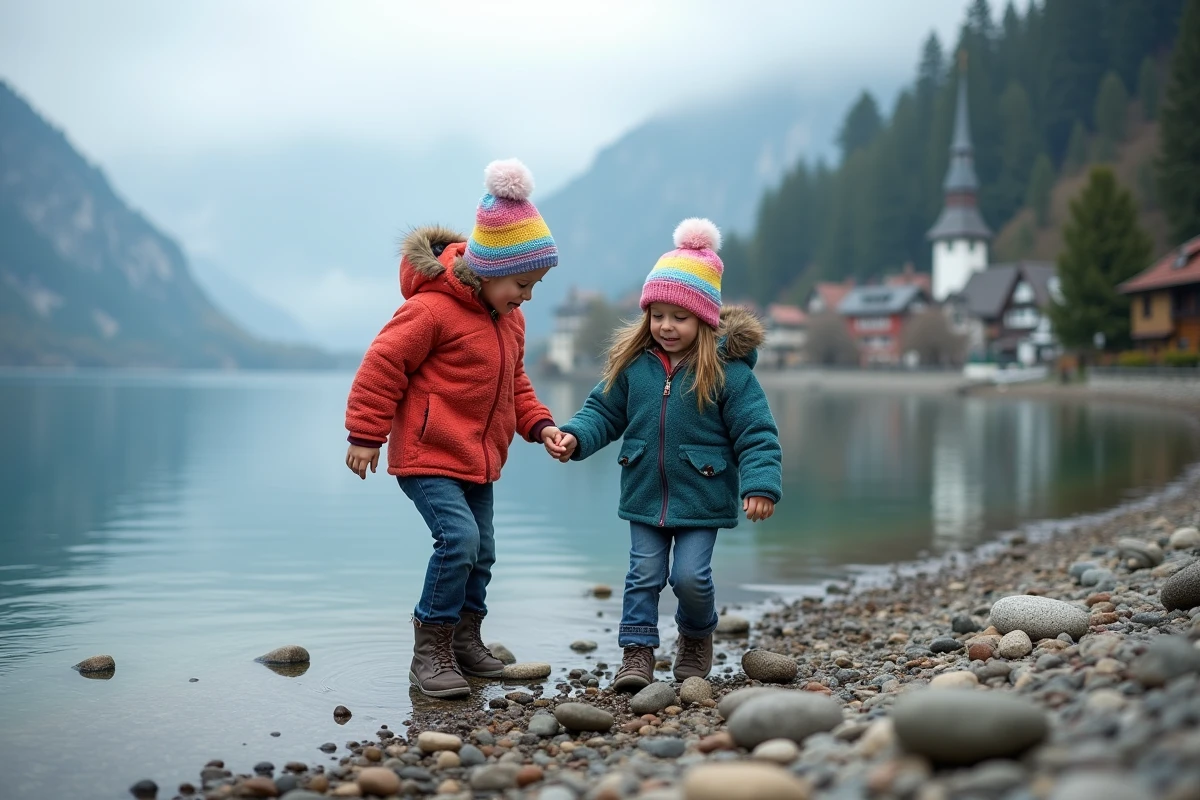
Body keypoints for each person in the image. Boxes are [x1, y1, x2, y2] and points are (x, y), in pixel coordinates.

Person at [344, 159, 565, 698]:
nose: (528, 296)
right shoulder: (431, 311)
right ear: (489, 269)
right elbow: (382, 363)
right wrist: (365, 434)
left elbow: (516, 382)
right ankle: (430, 651)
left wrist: (541, 426)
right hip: (427, 455)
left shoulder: (509, 319)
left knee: (481, 550)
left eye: (535, 285)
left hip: (478, 460)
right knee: (458, 539)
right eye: (522, 283)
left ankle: (466, 641)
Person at [550, 218, 782, 691]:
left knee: (690, 577)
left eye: (679, 316)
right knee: (643, 573)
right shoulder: (634, 367)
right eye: (657, 315)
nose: (666, 326)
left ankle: (697, 635)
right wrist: (575, 436)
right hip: (644, 489)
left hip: (702, 493)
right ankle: (637, 653)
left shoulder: (729, 374)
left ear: (703, 318)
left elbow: (756, 433)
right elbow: (602, 412)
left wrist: (760, 484)